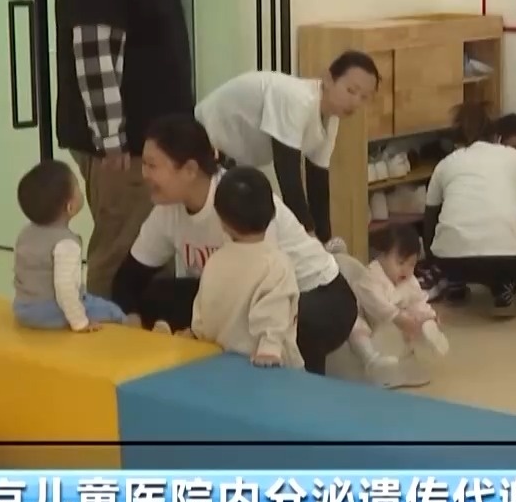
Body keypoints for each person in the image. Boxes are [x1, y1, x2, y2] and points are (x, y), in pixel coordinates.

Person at [109, 115, 361, 377]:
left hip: (316, 295)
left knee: (275, 326)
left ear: (190, 170)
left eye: (152, 165)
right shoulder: (167, 210)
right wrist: (133, 321)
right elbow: (128, 280)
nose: (144, 174)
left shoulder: (238, 198)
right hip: (246, 298)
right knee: (157, 296)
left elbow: (271, 290)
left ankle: (296, 391)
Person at [52, 0, 195, 298]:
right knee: (122, 251)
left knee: (153, 252)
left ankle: (145, 333)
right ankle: (105, 333)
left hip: (153, 141)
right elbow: (95, 54)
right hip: (124, 148)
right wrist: (111, 139)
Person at [194, 53, 381, 244]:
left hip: (233, 157)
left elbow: (318, 182)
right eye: (351, 90)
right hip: (203, 138)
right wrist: (308, 234)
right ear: (328, 79)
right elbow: (288, 175)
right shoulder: (297, 98)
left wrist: (325, 239)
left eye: (364, 97)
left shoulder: (331, 119)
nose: (356, 102)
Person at [423, 105, 516, 310]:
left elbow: (429, 220)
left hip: (451, 260)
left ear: (456, 141)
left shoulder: (444, 165)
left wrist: (434, 260)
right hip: (513, 259)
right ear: (497, 136)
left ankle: (455, 281)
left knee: (446, 233)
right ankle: (505, 285)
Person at [189, 168, 303, 369]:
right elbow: (275, 311)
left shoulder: (214, 262)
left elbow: (203, 312)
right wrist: (269, 349)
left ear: (223, 222)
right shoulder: (276, 263)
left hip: (221, 361)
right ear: (273, 213)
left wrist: (198, 335)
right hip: (266, 365)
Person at [9, 160, 136, 333]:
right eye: (77, 186)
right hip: (51, 312)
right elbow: (65, 288)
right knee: (112, 310)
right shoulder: (66, 242)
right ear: (70, 207)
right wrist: (80, 322)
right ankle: (135, 333)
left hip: (23, 309)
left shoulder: (25, 233)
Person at [348, 221, 451, 360]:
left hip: (388, 326)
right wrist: (397, 317)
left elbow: (417, 300)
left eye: (412, 265)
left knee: (415, 316)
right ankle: (369, 357)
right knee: (356, 326)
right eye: (400, 263)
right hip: (366, 316)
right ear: (382, 255)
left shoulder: (408, 281)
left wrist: (428, 315)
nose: (406, 270)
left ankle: (428, 334)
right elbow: (376, 302)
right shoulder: (371, 277)